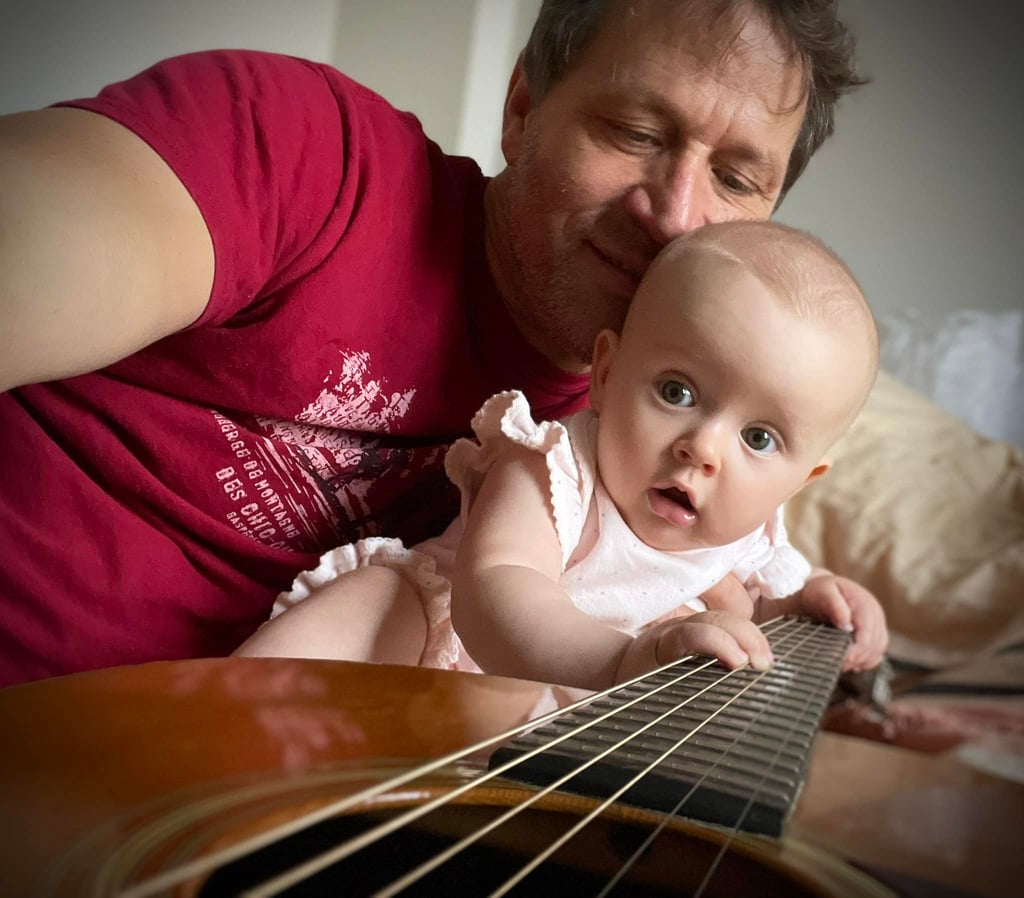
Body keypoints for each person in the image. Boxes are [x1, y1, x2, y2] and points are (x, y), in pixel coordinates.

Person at [0, 0, 867, 686]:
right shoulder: (303, 155)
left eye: (736, 177)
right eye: (637, 133)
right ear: (524, 109)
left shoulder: (648, 458)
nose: (674, 214)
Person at [236, 221, 888, 689]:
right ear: (605, 373)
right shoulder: (553, 466)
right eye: (676, 391)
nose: (704, 447)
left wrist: (812, 600)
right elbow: (499, 589)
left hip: (544, 708)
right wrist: (619, 662)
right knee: (368, 613)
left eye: (759, 439)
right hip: (443, 637)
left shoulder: (748, 535)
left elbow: (752, 603)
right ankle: (205, 741)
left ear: (801, 481)